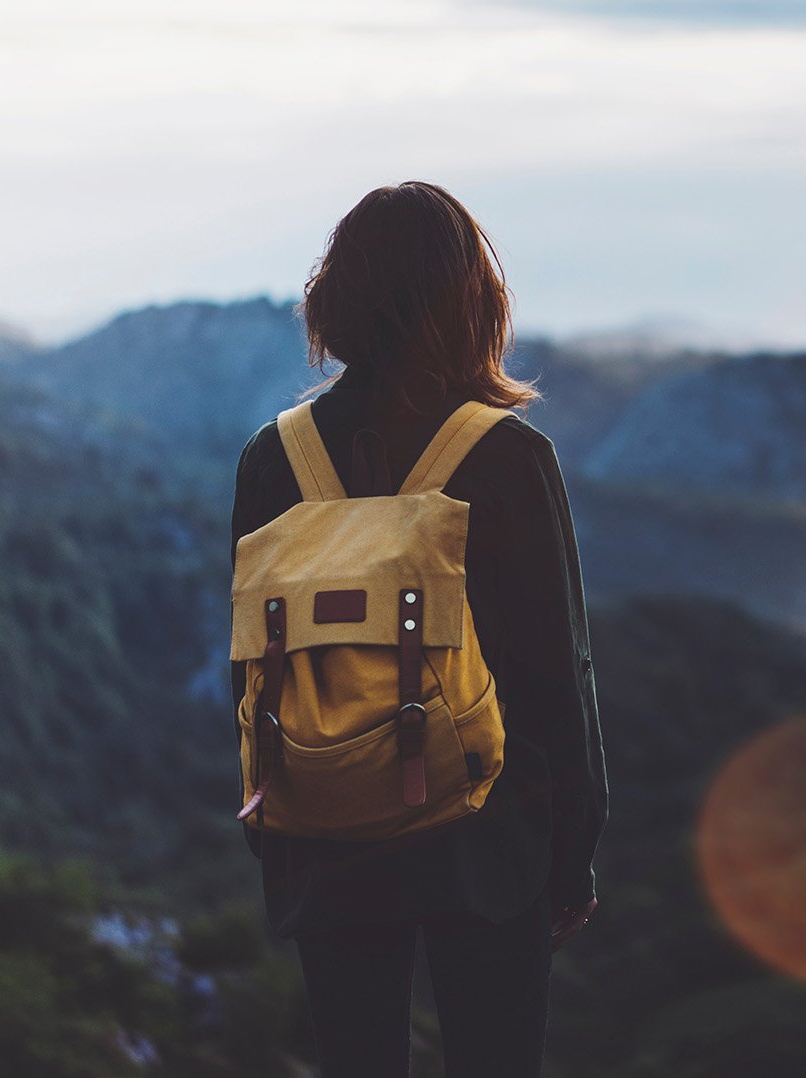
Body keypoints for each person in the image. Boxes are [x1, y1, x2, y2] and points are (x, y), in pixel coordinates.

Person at [229, 181, 608, 1077]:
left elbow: (247, 667)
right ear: (473, 300)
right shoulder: (507, 454)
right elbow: (558, 673)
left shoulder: (271, 458)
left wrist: (270, 828)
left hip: (322, 831)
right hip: (486, 837)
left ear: (335, 297)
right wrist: (573, 853)